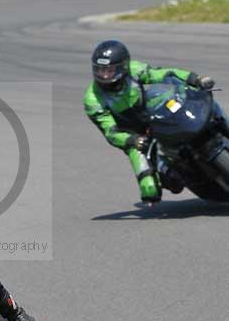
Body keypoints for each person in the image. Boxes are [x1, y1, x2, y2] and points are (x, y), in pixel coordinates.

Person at [84, 40, 215, 204]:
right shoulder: (92, 99)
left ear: (123, 67)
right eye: (100, 70)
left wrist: (194, 79)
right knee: (152, 188)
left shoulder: (134, 70)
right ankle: (177, 172)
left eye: (109, 70)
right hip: (134, 134)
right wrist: (131, 140)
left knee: (196, 101)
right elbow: (110, 132)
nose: (104, 75)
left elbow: (164, 74)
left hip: (152, 112)